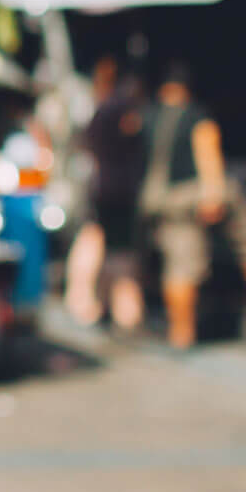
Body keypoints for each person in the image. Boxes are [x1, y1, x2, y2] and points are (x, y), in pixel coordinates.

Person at [138, 61, 246, 349]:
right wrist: (213, 193)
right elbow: (208, 152)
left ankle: (181, 332)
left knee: (179, 263)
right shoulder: (196, 116)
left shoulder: (147, 116)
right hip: (192, 194)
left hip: (161, 201)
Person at [64, 56, 146, 331]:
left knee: (101, 244)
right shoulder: (119, 109)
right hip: (117, 190)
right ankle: (120, 309)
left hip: (101, 187)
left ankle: (95, 302)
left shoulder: (99, 110)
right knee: (116, 250)